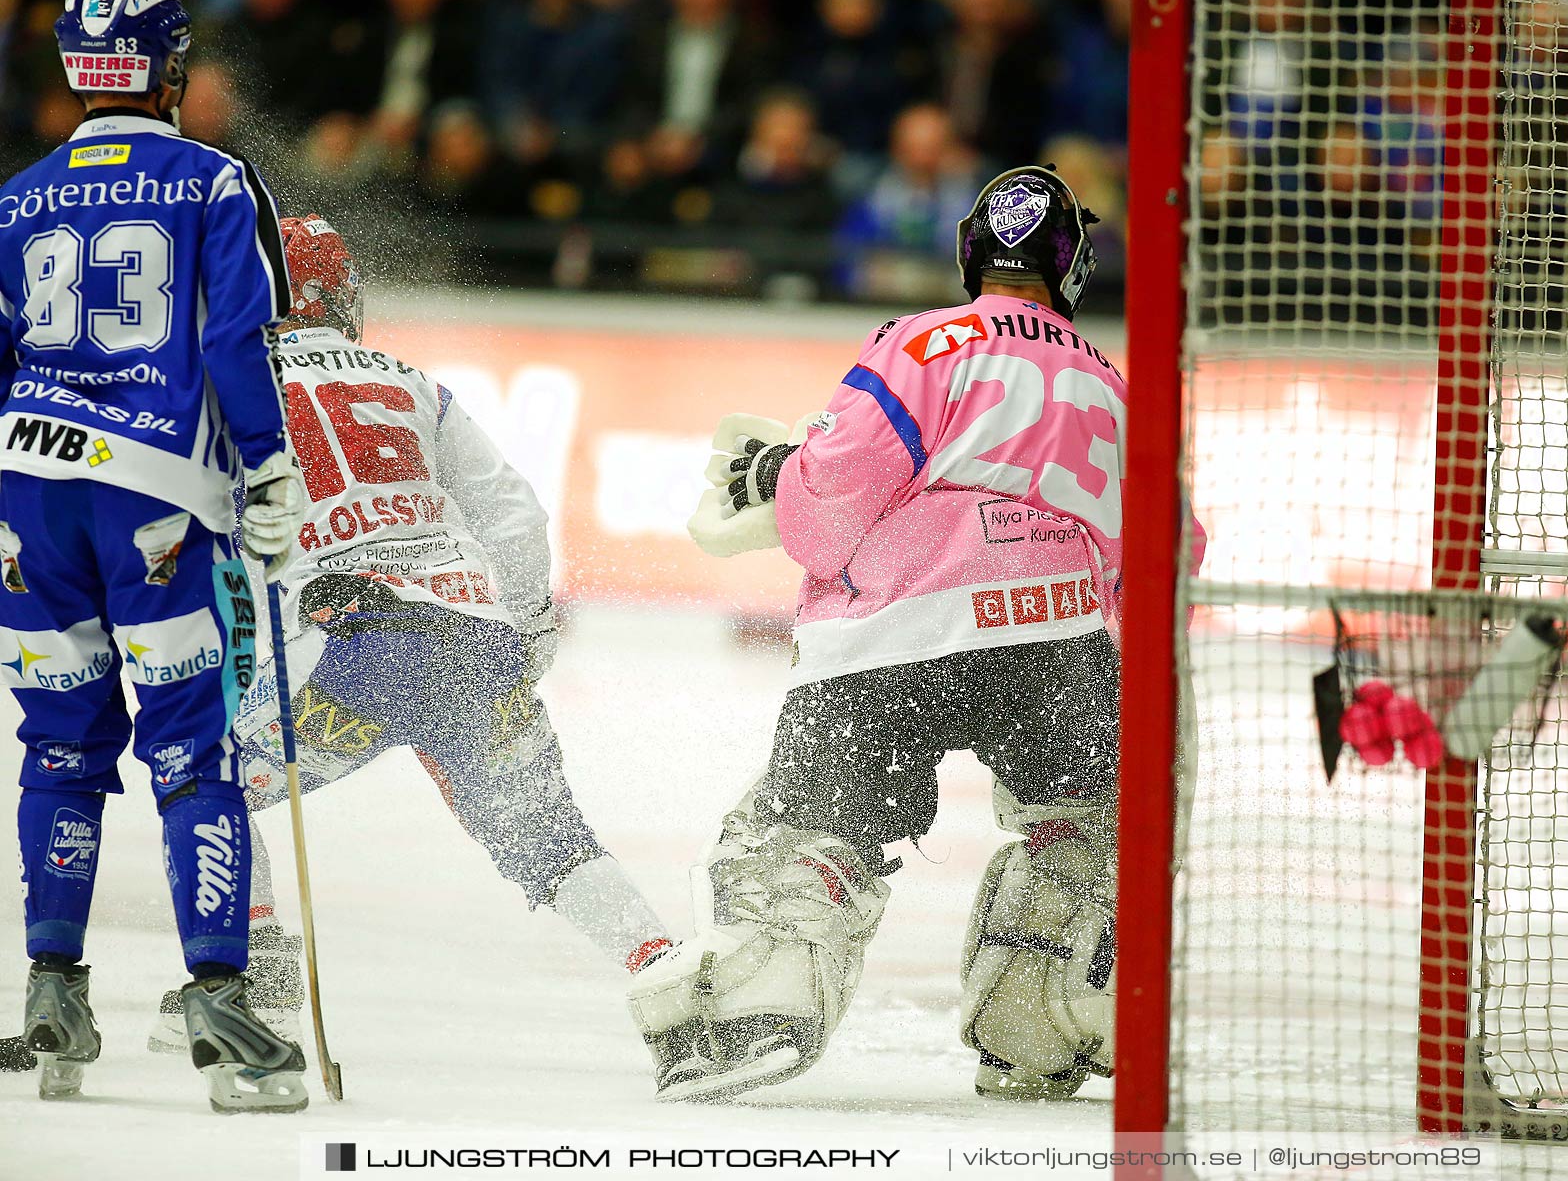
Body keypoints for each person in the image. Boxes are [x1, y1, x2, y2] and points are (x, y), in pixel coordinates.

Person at [631, 165, 1122, 1102]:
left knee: (810, 832)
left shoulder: (922, 341)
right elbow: (1163, 552)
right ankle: (1040, 1025)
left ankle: (757, 1013)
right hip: (1059, 645)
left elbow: (832, 498)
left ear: (972, 248)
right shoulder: (1112, 382)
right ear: (1070, 266)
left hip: (894, 639)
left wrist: (784, 479)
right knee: (1081, 843)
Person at [136, 214, 675, 1052]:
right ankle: (668, 974)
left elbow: (171, 530)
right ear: (340, 295)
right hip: (471, 637)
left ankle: (253, 977)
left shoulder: (206, 385)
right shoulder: (411, 380)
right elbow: (513, 512)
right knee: (551, 844)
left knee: (200, 778)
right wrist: (524, 633)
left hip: (343, 649)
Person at [0, 0, 308, 1111]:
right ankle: (221, 999)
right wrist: (269, 466)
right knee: (191, 753)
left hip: (26, 499)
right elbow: (235, 337)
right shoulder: (214, 180)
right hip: (158, 502)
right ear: (167, 68)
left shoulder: (14, 200)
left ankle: (52, 989)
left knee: (61, 747)